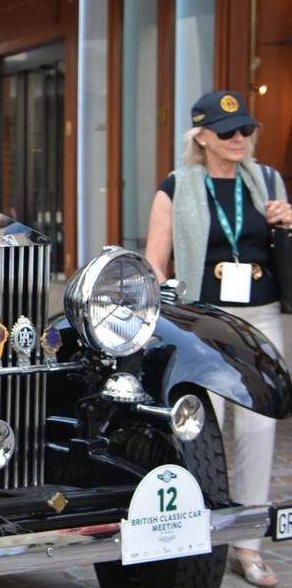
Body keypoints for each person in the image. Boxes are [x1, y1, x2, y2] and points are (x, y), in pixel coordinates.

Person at [144, 90, 292, 587]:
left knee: (257, 428)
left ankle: (247, 547)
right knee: (203, 429)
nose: (239, 138)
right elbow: (155, 263)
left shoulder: (268, 180)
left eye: (246, 129)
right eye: (227, 131)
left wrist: (288, 221)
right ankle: (202, 537)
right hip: (203, 323)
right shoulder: (176, 186)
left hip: (261, 316)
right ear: (202, 136)